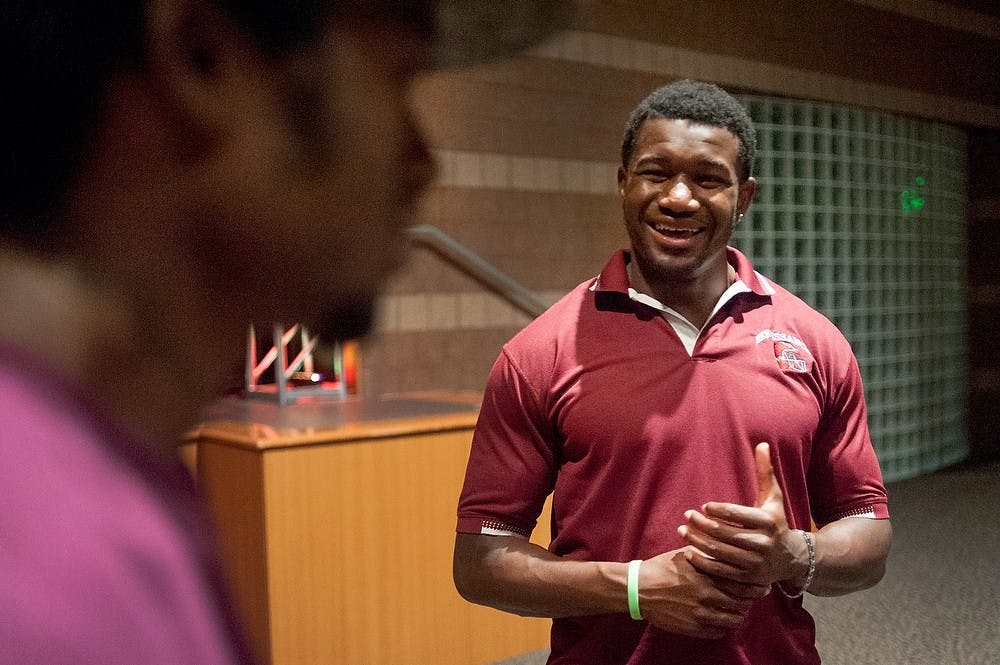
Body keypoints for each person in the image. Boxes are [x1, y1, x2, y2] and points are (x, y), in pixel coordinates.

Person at [0, 2, 570, 664]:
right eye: (399, 78)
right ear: (205, 59)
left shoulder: (92, 486)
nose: (423, 164)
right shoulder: (57, 590)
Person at [454, 80, 892, 664]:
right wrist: (635, 589)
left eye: (709, 178)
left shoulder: (814, 344)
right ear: (623, 183)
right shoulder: (540, 354)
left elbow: (868, 531)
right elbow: (480, 560)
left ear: (745, 197)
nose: (679, 197)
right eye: (655, 172)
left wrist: (789, 554)